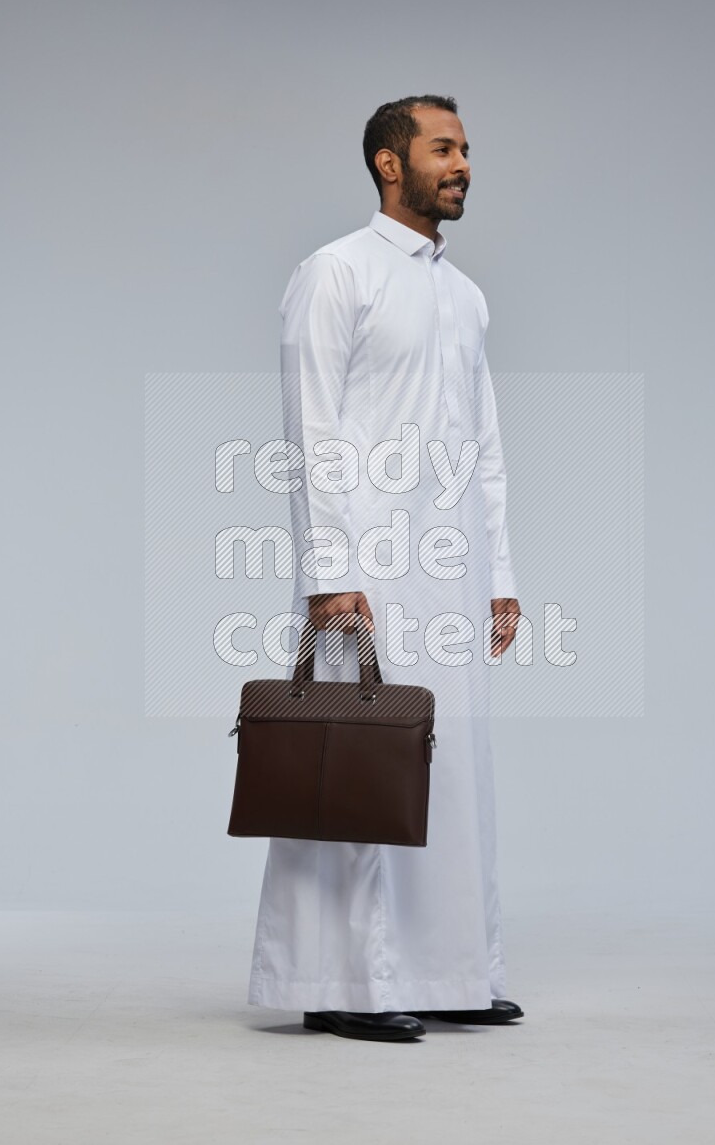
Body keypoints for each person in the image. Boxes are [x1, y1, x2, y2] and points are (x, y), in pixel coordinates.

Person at [248, 95, 523, 1042]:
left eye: (466, 149)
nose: (463, 164)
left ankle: (455, 971)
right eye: (443, 147)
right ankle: (345, 983)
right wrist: (329, 569)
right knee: (360, 762)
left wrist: (501, 575)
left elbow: (484, 445)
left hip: (452, 571)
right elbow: (311, 430)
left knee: (448, 771)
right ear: (387, 163)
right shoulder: (337, 273)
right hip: (364, 567)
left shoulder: (465, 293)